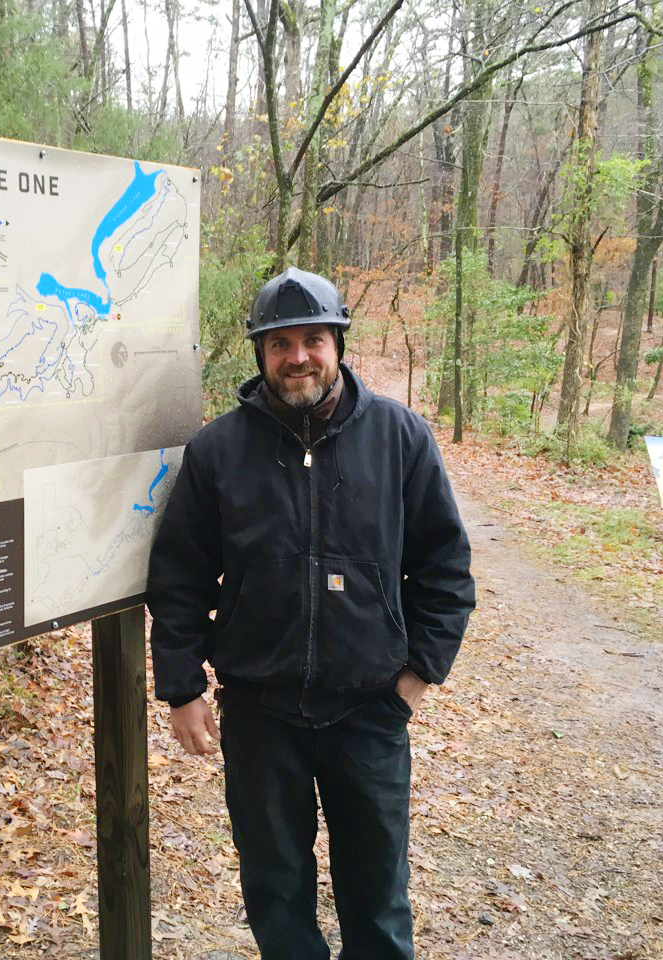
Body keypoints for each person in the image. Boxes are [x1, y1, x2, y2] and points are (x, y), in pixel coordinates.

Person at [147, 267, 475, 959]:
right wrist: (181, 686)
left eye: (313, 339)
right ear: (261, 354)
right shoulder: (219, 451)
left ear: (339, 344)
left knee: (377, 889)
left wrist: (419, 673)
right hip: (261, 713)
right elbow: (178, 575)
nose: (298, 356)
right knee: (276, 886)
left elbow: (445, 567)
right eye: (280, 343)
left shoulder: (400, 438)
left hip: (369, 712)